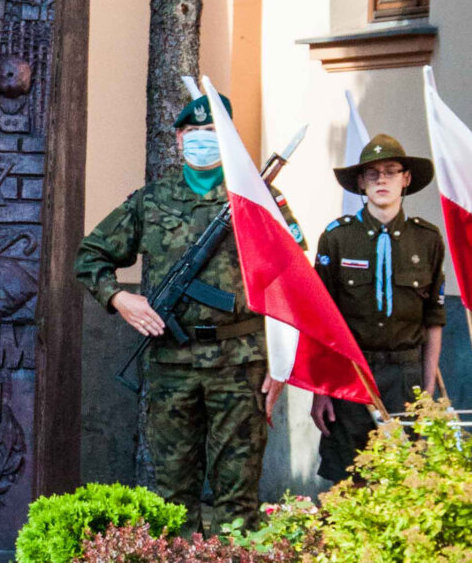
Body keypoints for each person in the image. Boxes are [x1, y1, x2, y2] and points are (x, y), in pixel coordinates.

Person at [75, 92, 304, 532]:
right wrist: (120, 299)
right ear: (179, 139)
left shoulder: (257, 198)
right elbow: (90, 256)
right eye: (193, 132)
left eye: (212, 132)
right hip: (171, 364)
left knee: (238, 497)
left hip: (242, 365)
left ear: (229, 139)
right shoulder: (152, 200)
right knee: (172, 498)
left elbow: (292, 279)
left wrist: (282, 360)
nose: (201, 140)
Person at [313, 133, 445, 481]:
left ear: (406, 179)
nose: (381, 179)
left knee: (405, 475)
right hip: (351, 375)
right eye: (372, 173)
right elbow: (321, 320)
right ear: (360, 182)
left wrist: (427, 392)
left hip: (406, 376)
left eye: (390, 171)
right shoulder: (337, 238)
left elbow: (434, 319)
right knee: (347, 477)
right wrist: (321, 392)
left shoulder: (427, 239)